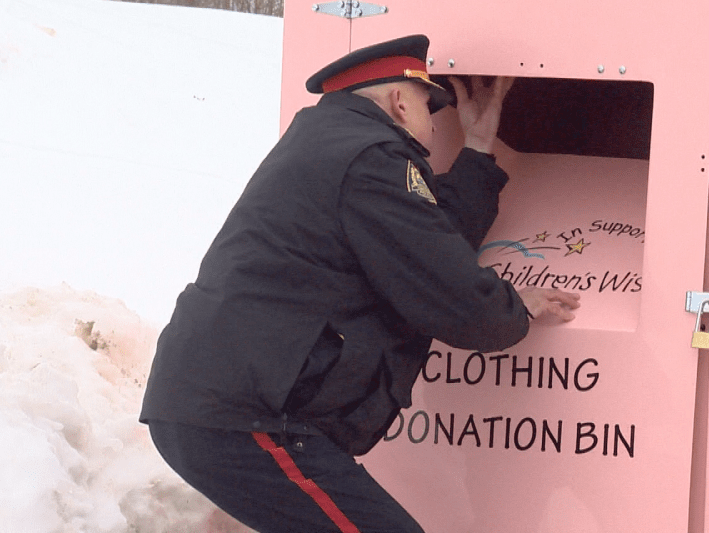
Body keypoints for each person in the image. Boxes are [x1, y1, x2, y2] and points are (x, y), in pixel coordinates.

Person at [140, 34, 580, 533]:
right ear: (398, 99)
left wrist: (478, 149)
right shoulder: (371, 157)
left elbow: (422, 244)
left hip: (226, 410)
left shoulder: (333, 145)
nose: (435, 128)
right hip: (249, 419)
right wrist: (514, 307)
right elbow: (451, 293)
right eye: (426, 106)